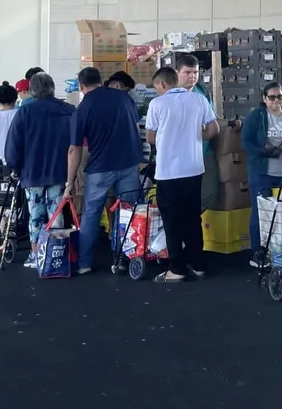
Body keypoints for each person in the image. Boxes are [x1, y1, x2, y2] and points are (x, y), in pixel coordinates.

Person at [146, 66, 219, 283]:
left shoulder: (157, 103)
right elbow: (214, 129)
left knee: (172, 221)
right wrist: (192, 135)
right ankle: (198, 265)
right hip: (194, 169)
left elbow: (150, 137)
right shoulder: (198, 100)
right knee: (192, 218)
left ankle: (176, 268)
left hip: (168, 172)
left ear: (161, 84)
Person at [68, 66, 144, 275]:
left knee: (92, 213)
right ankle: (126, 258)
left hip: (100, 168)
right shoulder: (123, 98)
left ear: (82, 86)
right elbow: (135, 126)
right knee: (129, 211)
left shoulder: (83, 108)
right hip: (129, 163)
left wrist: (69, 182)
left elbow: (74, 149)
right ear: (101, 81)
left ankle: (84, 263)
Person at [5, 73, 75, 269]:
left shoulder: (25, 111)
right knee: (56, 213)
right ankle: (56, 253)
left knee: (35, 214)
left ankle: (36, 254)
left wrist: (14, 166)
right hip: (60, 171)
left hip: (32, 172)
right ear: (52, 88)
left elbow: (13, 145)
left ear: (33, 90)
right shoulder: (68, 110)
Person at [240, 81, 282, 265]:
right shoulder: (256, 116)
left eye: (280, 96)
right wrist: (265, 150)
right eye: (272, 97)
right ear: (264, 99)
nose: (276, 100)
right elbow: (246, 142)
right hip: (263, 172)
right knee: (262, 212)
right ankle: (258, 253)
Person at [174, 53, 220, 210]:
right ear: (177, 73)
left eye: (195, 72)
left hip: (203, 152)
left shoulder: (201, 92)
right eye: (187, 72)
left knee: (209, 193)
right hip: (179, 157)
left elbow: (212, 122)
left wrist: (199, 135)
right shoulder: (169, 96)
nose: (192, 76)